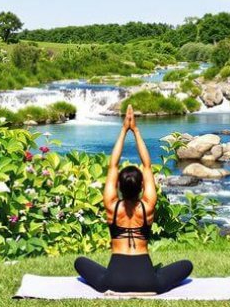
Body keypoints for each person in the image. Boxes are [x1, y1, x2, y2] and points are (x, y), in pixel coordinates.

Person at [74, 105, 193, 294]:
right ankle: (153, 275)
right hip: (148, 282)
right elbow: (147, 165)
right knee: (187, 265)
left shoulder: (112, 206)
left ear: (118, 186)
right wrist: (136, 130)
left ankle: (115, 277)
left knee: (80, 262)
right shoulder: (148, 205)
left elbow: (113, 165)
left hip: (113, 281)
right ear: (142, 186)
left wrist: (124, 130)